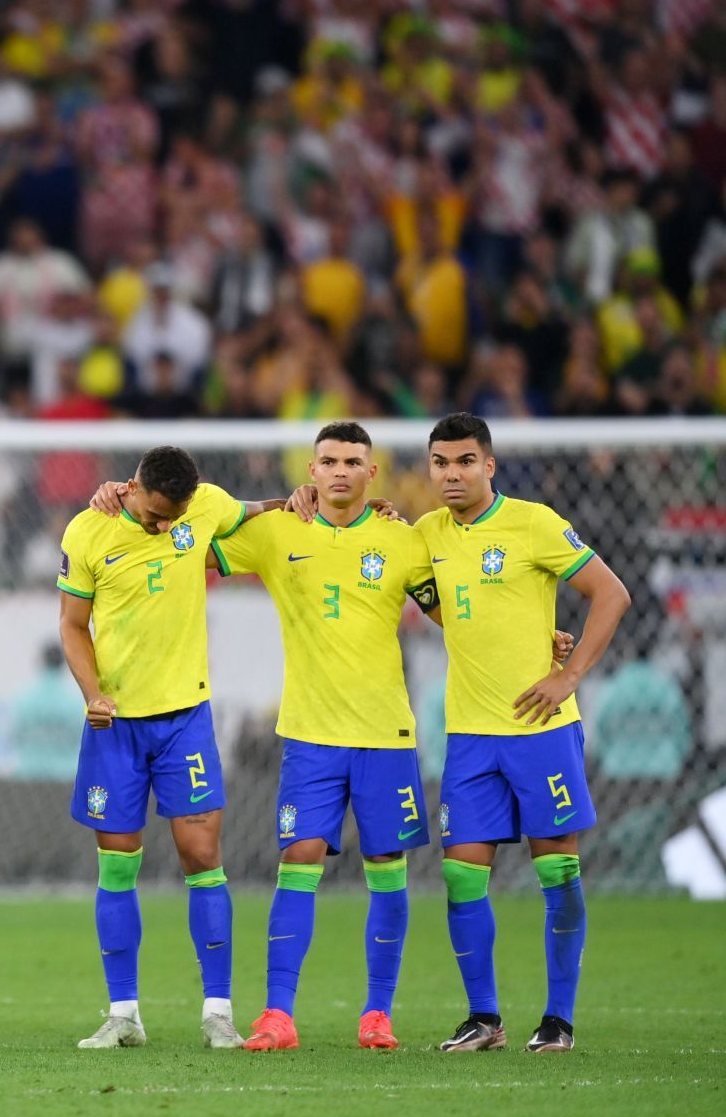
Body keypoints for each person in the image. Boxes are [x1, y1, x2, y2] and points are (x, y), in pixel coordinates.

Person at [205, 422, 443, 1052]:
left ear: (373, 473)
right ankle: (278, 1017)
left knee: (387, 866)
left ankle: (378, 1015)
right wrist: (126, 500)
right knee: (300, 859)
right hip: (309, 734)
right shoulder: (279, 530)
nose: (340, 471)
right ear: (310, 471)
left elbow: (458, 613)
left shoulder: (403, 539)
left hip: (385, 732)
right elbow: (189, 549)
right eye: (328, 461)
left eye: (353, 462)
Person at [416, 413, 631, 1053]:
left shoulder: (533, 523)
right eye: (439, 462)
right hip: (469, 735)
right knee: (461, 878)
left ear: (489, 466)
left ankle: (558, 1021)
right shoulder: (426, 532)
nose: (451, 474)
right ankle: (484, 1019)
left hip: (540, 730)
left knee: (557, 871)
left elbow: (611, 593)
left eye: (464, 462)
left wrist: (568, 675)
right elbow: (440, 603)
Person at [59, 446, 280, 1049]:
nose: (164, 526)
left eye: (173, 518)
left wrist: (300, 500)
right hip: (116, 724)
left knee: (202, 854)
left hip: (186, 716)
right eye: (156, 515)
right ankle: (123, 1013)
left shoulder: (201, 508)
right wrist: (93, 691)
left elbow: (255, 511)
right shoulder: (88, 529)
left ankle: (218, 1013)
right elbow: (73, 626)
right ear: (132, 488)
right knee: (117, 863)